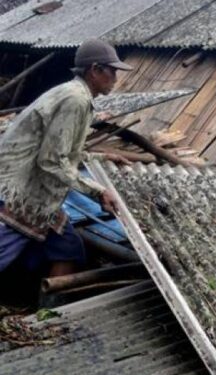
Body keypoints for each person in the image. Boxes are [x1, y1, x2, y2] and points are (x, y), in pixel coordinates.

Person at [0, 39, 132, 278]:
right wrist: (97, 190)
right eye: (112, 70)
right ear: (95, 70)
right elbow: (51, 160)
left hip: (26, 187)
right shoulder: (75, 100)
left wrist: (101, 157)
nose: (115, 77)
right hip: (15, 192)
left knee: (67, 247)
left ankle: (51, 312)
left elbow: (60, 150)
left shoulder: (74, 94)